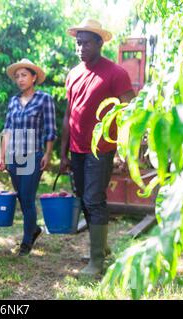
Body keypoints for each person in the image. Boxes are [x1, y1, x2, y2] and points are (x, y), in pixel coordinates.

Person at [61, 19, 135, 275]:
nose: (81, 48)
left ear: (99, 43)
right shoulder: (73, 74)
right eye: (78, 43)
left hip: (101, 148)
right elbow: (69, 114)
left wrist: (127, 148)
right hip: (77, 148)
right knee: (84, 199)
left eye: (86, 43)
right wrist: (63, 152)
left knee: (94, 199)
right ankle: (101, 247)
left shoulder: (116, 73)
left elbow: (130, 111)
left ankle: (96, 262)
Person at [0, 58, 57, 256]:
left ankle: (26, 242)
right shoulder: (14, 101)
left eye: (24, 75)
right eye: (17, 76)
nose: (20, 79)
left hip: (33, 155)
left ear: (34, 77)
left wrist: (47, 154)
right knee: (22, 197)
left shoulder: (44, 100)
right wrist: (1, 156)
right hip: (14, 156)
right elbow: (7, 130)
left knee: (28, 198)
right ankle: (34, 229)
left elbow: (50, 129)